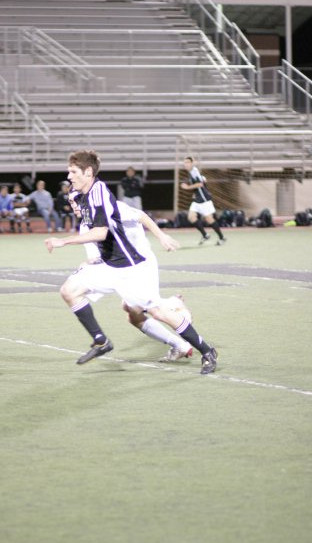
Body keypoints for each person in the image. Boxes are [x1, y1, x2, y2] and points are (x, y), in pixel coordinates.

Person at [45, 149, 217, 374]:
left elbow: (101, 233)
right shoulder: (84, 202)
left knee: (156, 312)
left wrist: (63, 242)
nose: (69, 177)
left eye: (73, 172)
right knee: (69, 290)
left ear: (88, 172)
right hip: (111, 267)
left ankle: (206, 350)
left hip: (133, 268)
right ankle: (101, 341)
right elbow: (94, 246)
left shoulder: (100, 195)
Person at [68, 188, 193, 362]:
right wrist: (86, 265)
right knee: (132, 313)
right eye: (71, 202)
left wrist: (161, 236)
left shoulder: (111, 207)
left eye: (76, 200)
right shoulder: (85, 227)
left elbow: (141, 216)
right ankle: (179, 340)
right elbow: (95, 258)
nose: (73, 205)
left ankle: (177, 317)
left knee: (152, 309)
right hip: (124, 268)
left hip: (141, 262)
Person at [180, 156, 226, 245]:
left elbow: (200, 184)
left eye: (187, 162)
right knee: (191, 217)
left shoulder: (194, 171)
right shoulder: (191, 172)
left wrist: (187, 187)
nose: (185, 164)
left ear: (192, 163)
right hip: (197, 199)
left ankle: (222, 237)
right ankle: (205, 235)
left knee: (209, 219)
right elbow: (203, 180)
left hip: (204, 199)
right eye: (184, 162)